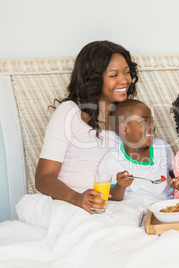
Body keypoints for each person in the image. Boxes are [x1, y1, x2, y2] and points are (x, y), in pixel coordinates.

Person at [35, 40, 139, 214]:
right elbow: (43, 178)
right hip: (68, 203)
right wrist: (76, 198)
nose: (124, 80)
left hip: (108, 204)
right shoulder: (69, 112)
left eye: (127, 72)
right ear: (95, 79)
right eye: (114, 75)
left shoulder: (126, 116)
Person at [98, 99, 174, 201]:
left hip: (168, 204)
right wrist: (121, 186)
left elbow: (174, 176)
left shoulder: (162, 147)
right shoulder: (112, 160)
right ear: (124, 129)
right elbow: (112, 197)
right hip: (137, 206)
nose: (151, 126)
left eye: (151, 121)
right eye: (143, 122)